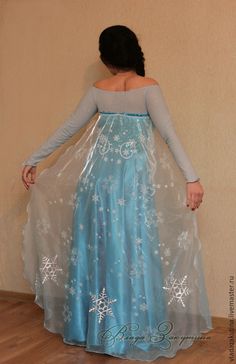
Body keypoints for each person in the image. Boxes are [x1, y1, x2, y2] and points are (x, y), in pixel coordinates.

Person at [21, 25, 212, 361]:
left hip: (96, 185)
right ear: (134, 51)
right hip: (132, 187)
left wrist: (33, 159)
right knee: (134, 251)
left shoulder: (99, 89)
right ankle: (132, 329)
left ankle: (91, 327)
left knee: (99, 250)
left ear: (105, 57)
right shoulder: (149, 88)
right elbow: (169, 135)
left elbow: (69, 129)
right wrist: (191, 178)